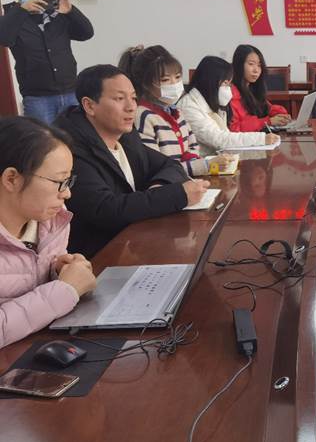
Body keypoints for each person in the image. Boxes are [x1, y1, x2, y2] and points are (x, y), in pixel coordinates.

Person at [54, 64, 209, 258]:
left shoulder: (125, 136)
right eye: (119, 99)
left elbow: (170, 165)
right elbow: (106, 210)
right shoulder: (69, 149)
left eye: (134, 98)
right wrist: (176, 195)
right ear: (89, 106)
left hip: (136, 241)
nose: (131, 107)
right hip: (97, 256)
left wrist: (159, 186)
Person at [0, 116, 97, 348]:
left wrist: (59, 271)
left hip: (40, 345)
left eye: (69, 181)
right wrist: (65, 290)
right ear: (11, 179)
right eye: (59, 181)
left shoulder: (53, 220)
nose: (67, 194)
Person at [118, 45, 230, 176]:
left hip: (186, 179)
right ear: (146, 84)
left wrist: (192, 161)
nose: (174, 84)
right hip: (169, 183)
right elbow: (156, 167)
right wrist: (204, 165)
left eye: (177, 77)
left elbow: (193, 146)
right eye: (165, 80)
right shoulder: (143, 116)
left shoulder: (177, 112)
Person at [0, 0, 94, 123]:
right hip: (37, 97)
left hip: (70, 91)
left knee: (75, 135)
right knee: (41, 137)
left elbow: (86, 33)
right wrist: (22, 10)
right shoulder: (10, 16)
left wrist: (71, 11)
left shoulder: (55, 12)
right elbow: (4, 39)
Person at [178, 55, 279, 155]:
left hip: (218, 159)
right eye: (225, 84)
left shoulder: (211, 103)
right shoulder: (189, 106)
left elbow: (226, 137)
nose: (229, 89)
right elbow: (219, 139)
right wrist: (261, 139)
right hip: (202, 162)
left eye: (230, 84)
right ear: (211, 82)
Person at [228, 44, 291, 132]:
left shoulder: (252, 89)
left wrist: (280, 116)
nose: (256, 70)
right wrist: (268, 121)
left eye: (259, 65)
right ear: (239, 65)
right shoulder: (230, 92)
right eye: (251, 64)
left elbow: (268, 108)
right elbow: (234, 128)